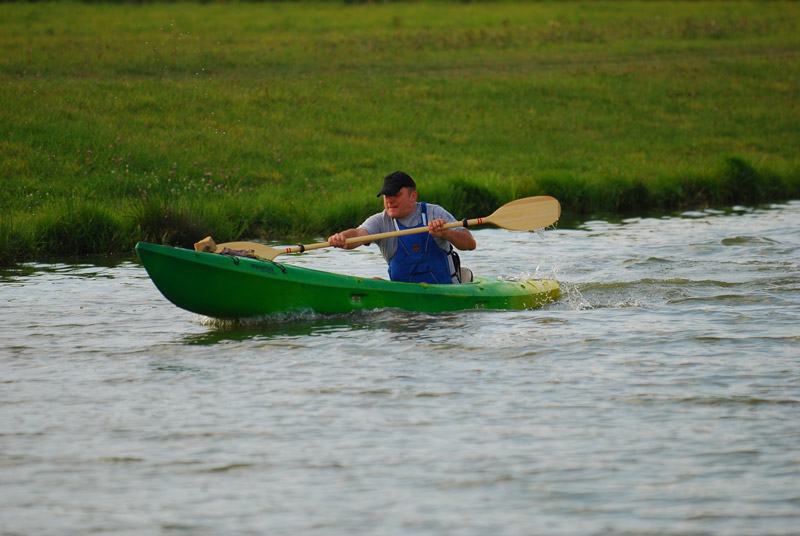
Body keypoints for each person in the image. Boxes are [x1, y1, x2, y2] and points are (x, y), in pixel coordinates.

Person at [328, 171, 476, 284]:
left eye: (396, 195)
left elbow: (470, 243)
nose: (390, 201)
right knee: (375, 281)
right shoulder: (380, 221)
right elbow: (358, 234)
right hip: (405, 303)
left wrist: (447, 234)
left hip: (445, 295)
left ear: (413, 196)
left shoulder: (434, 213)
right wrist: (342, 239)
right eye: (386, 196)